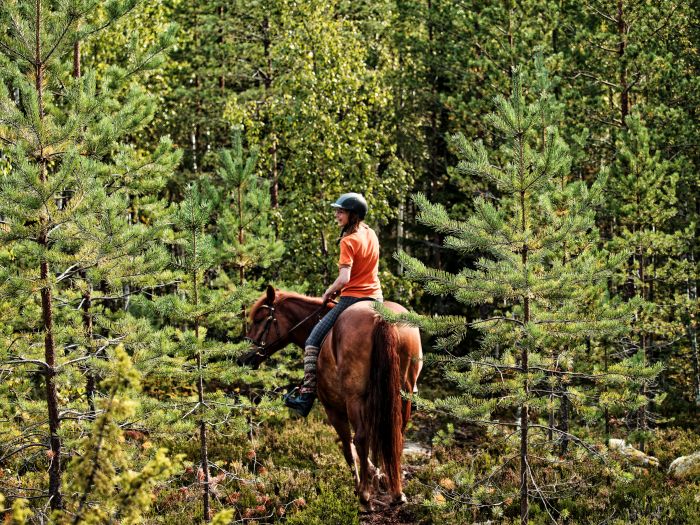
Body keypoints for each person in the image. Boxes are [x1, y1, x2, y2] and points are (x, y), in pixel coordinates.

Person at [284, 192, 383, 417]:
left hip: (352, 299)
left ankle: (306, 395)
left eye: (341, 211)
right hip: (376, 298)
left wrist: (328, 293)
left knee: (311, 341)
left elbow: (345, 279)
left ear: (353, 215)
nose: (337, 214)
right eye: (337, 210)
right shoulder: (371, 233)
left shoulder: (348, 241)